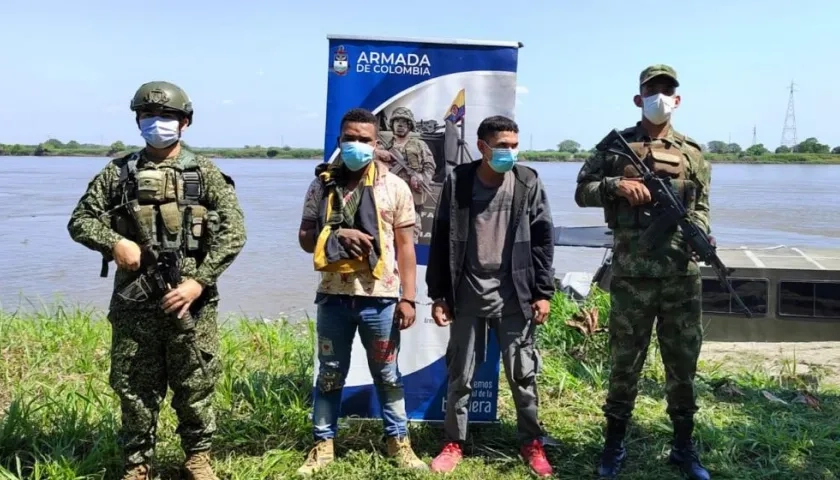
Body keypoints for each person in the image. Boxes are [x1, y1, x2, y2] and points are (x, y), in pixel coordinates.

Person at [67, 81, 247, 480]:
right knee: (133, 388)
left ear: (184, 123)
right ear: (138, 120)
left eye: (166, 116)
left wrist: (199, 281)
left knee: (196, 383)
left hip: (192, 301)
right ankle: (137, 464)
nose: (157, 123)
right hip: (135, 300)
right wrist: (114, 242)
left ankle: (197, 458)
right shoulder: (118, 173)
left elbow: (234, 232)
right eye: (149, 116)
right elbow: (80, 220)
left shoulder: (207, 173)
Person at [574, 65, 712, 480]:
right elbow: (582, 192)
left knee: (683, 365)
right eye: (652, 91)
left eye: (667, 91)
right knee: (624, 365)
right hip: (633, 276)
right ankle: (613, 446)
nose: (660, 98)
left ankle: (684, 449)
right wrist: (616, 185)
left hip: (680, 277)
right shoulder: (615, 147)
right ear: (639, 98)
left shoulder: (693, 152)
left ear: (678, 99)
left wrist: (700, 234)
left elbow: (702, 207)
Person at [296, 107, 427, 476]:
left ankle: (399, 442)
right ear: (339, 140)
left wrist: (408, 297)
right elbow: (305, 239)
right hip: (334, 297)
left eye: (365, 139)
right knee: (330, 373)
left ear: (376, 143)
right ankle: (322, 444)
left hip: (381, 300)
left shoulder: (394, 186)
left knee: (387, 374)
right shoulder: (321, 185)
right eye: (350, 138)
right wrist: (334, 235)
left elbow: (405, 248)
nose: (357, 145)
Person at [425, 115, 556, 477]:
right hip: (467, 291)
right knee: (460, 374)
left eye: (514, 146)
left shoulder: (528, 182)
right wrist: (438, 294)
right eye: (502, 146)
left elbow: (544, 241)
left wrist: (543, 292)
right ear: (483, 147)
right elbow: (440, 240)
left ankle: (531, 441)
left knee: (522, 374)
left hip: (515, 292)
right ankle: (454, 442)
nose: (509, 152)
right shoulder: (458, 181)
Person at [382, 106, 436, 242]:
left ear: (410, 125)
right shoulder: (384, 148)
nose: (400, 125)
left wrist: (421, 179)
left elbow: (430, 166)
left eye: (404, 122)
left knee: (409, 242)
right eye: (397, 121)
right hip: (387, 203)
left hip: (411, 204)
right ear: (392, 124)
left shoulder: (419, 145)